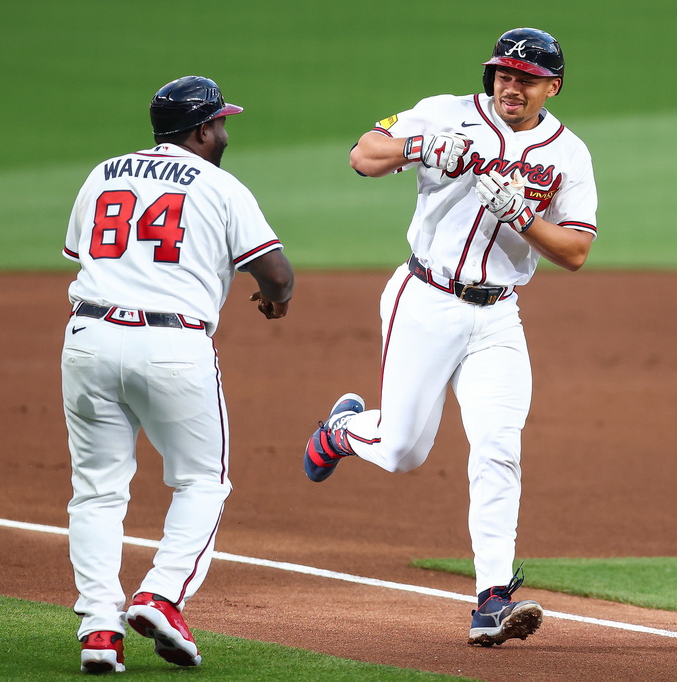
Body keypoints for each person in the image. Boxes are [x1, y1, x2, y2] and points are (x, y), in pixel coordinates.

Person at [303, 28, 597, 646]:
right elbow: (363, 154)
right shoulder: (447, 113)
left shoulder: (568, 153)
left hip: (497, 316)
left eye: (525, 77)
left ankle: (492, 598)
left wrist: (525, 218)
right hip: (425, 300)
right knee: (406, 449)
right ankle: (343, 431)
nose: (510, 86)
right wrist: (422, 145)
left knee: (498, 447)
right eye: (503, 74)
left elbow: (575, 251)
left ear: (553, 86)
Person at [62, 75, 293, 673]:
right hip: (172, 346)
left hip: (88, 338)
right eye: (219, 123)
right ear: (198, 130)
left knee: (96, 489)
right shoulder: (220, 185)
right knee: (201, 482)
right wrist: (273, 300)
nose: (223, 133)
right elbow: (277, 275)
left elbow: (83, 252)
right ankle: (161, 594)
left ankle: (98, 628)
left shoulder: (103, 173)